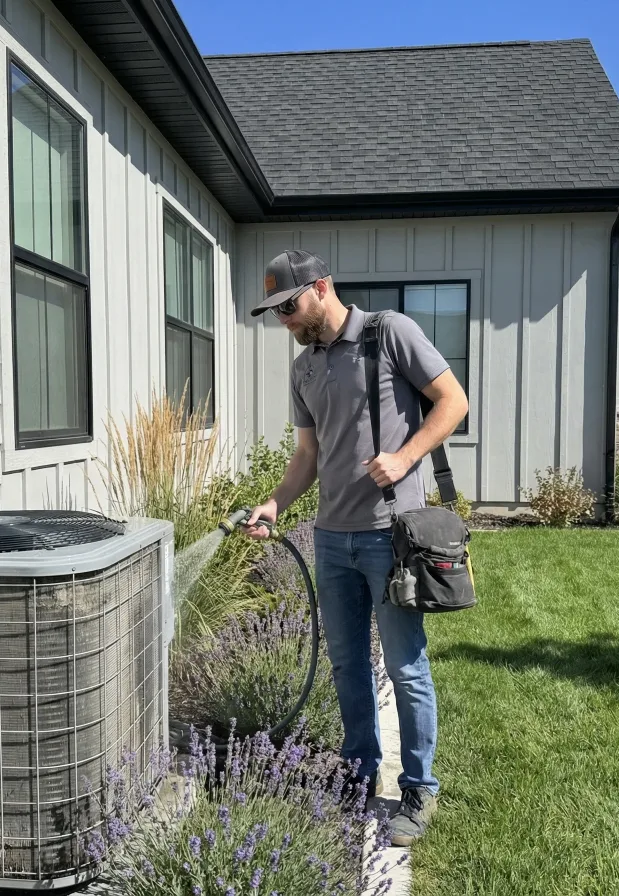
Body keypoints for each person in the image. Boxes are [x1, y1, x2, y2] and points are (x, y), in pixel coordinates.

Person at [243, 249, 468, 846]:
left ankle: (419, 788)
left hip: (389, 537)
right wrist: (275, 503)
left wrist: (404, 457)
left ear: (321, 288)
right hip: (330, 539)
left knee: (405, 664)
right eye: (274, 312)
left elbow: (454, 401)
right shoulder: (304, 371)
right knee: (347, 667)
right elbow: (306, 459)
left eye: (288, 306)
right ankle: (360, 774)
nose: (283, 320)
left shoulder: (389, 334)